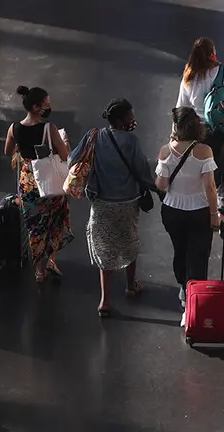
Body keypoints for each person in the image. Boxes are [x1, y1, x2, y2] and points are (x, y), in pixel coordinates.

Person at [68, 98, 155, 317]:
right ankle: (130, 285)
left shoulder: (94, 136)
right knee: (130, 241)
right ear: (120, 119)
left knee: (105, 248)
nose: (133, 120)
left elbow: (72, 159)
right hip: (127, 202)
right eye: (130, 117)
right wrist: (156, 188)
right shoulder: (131, 141)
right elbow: (143, 170)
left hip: (102, 202)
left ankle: (105, 300)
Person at [174, 36, 224, 219]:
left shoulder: (189, 75)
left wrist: (176, 135)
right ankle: (221, 215)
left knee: (205, 175)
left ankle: (203, 212)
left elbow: (182, 107)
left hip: (200, 134)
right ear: (212, 54)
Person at [156, 107, 221, 326]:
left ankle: (184, 289)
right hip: (199, 211)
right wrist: (215, 214)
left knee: (180, 251)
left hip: (172, 210)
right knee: (198, 256)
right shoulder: (204, 151)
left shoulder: (165, 151)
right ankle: (194, 306)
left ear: (175, 126)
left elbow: (162, 185)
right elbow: (210, 187)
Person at [3, 85, 74, 283]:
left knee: (35, 226)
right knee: (55, 220)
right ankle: (52, 259)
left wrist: (22, 145)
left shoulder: (14, 128)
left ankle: (39, 271)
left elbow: (8, 151)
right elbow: (64, 154)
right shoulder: (49, 129)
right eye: (46, 105)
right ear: (36, 107)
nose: (49, 108)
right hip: (49, 179)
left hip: (28, 182)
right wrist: (65, 143)